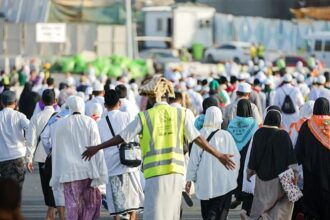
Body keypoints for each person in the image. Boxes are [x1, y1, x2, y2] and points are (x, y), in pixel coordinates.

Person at [82, 75, 235, 220]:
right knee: (172, 215)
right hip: (176, 173)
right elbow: (198, 138)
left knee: (154, 214)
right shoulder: (180, 114)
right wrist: (219, 155)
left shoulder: (145, 116)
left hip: (155, 174)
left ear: (151, 96)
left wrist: (98, 147)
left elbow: (122, 137)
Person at [50, 96, 108, 220]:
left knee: (72, 208)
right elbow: (97, 149)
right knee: (89, 207)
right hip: (88, 172)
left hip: (68, 173)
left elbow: (57, 152)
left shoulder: (60, 124)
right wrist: (101, 173)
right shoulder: (90, 122)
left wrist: (56, 176)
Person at [242, 109, 298, 220]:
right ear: (279, 121)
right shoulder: (283, 134)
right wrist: (295, 175)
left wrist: (249, 172)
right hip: (285, 176)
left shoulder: (258, 133)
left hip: (262, 176)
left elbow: (253, 156)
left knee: (262, 204)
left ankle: (263, 217)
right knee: (291, 197)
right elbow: (291, 158)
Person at [186, 106, 240, 220]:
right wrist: (234, 178)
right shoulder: (227, 135)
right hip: (223, 184)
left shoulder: (199, 135)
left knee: (207, 213)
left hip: (204, 183)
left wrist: (189, 180)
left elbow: (193, 160)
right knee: (220, 214)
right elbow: (236, 158)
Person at [98, 89, 144, 219]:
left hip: (111, 164)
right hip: (130, 162)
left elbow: (100, 144)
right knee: (133, 202)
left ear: (105, 105)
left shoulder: (100, 122)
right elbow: (136, 138)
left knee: (115, 203)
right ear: (119, 102)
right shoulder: (127, 116)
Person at [295, 97, 330, 220]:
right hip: (328, 171)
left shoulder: (307, 124)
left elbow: (299, 150)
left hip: (311, 170)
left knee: (312, 198)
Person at [25, 89, 58, 220]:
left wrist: (29, 158)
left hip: (42, 156)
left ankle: (50, 213)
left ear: (42, 102)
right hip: (58, 157)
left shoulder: (36, 117)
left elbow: (31, 140)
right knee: (56, 187)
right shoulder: (61, 115)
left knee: (47, 186)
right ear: (55, 101)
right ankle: (52, 211)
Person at [227, 99, 258, 213]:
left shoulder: (232, 123)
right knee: (247, 177)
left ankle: (238, 196)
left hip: (235, 154)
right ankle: (246, 200)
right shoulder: (253, 123)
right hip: (248, 154)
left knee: (238, 175)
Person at [0, 90, 29, 188]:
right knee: (17, 190)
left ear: (1, 102)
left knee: (5, 190)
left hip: (3, 158)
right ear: (15, 102)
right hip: (19, 156)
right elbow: (31, 129)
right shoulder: (19, 116)